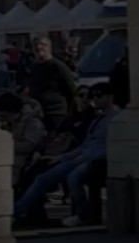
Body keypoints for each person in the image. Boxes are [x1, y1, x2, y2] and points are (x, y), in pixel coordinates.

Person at [13, 83, 118, 227]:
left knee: (73, 177)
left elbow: (110, 146)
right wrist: (62, 157)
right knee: (42, 178)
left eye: (99, 96)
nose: (94, 99)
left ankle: (83, 215)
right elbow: (84, 145)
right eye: (94, 96)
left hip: (96, 159)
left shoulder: (115, 118)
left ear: (110, 97)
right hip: (81, 156)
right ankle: (16, 211)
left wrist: (82, 157)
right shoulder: (97, 119)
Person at [25, 35, 77, 133]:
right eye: (36, 46)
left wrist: (71, 113)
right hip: (39, 114)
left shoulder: (58, 67)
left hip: (56, 114)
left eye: (43, 45)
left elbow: (72, 90)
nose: (39, 47)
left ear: (49, 47)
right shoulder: (33, 68)